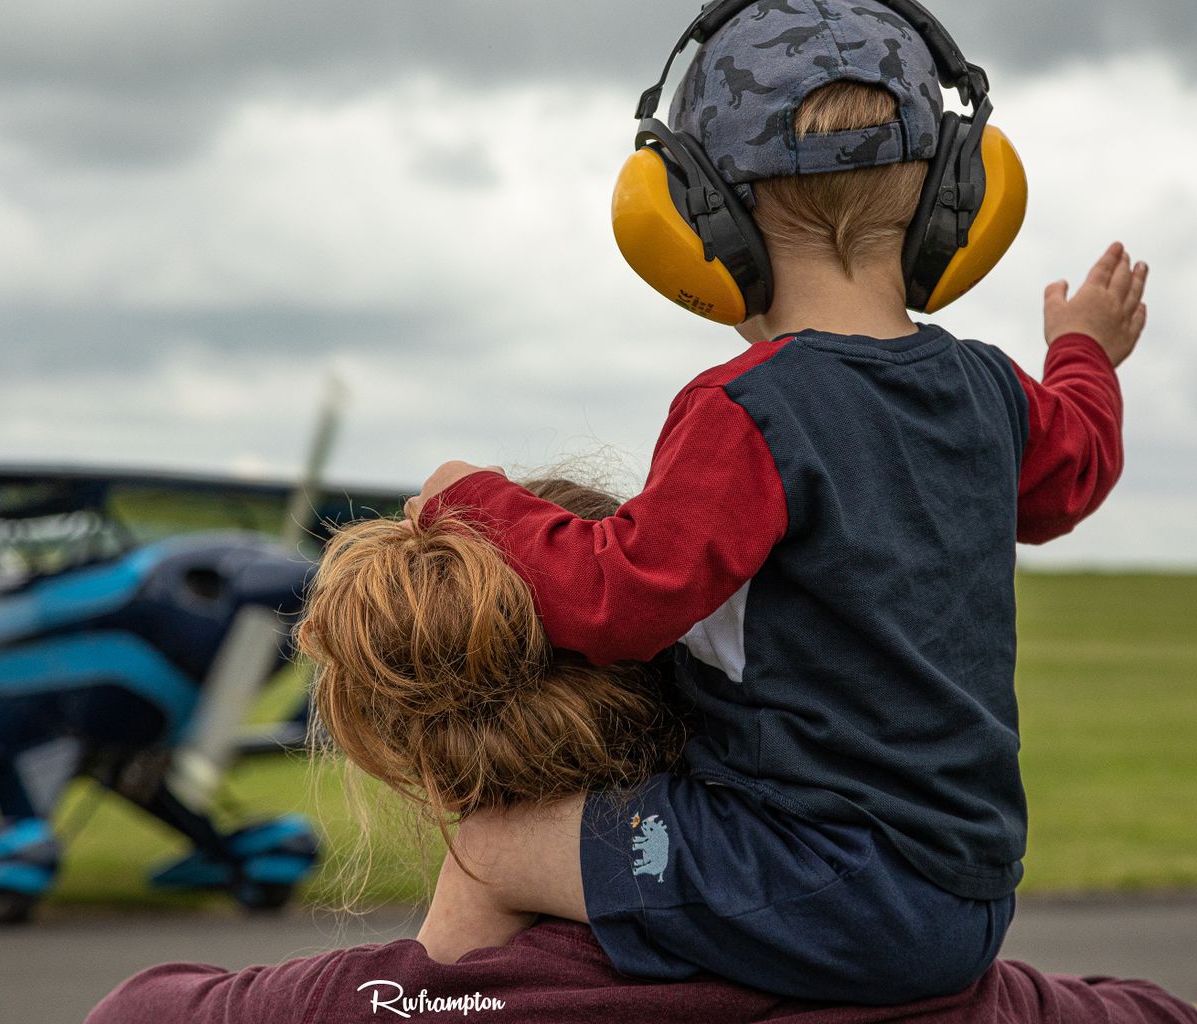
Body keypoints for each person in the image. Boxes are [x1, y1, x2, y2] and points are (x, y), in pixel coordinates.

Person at [402, 0, 1150, 1005]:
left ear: (700, 209)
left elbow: (622, 600)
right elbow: (1076, 472)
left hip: (816, 878)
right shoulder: (989, 387)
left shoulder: (746, 412)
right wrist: (1084, 353)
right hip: (967, 893)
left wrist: (474, 503)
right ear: (951, 198)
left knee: (495, 849)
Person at [85, 494, 1194, 1024]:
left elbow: (136, 1010)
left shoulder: (332, 1007)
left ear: (413, 751)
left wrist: (444, 949)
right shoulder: (932, 977)